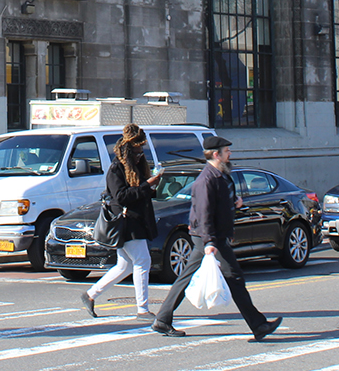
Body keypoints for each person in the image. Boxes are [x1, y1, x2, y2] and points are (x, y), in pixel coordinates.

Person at [150, 135, 281, 342]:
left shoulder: (220, 175)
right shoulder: (206, 180)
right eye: (227, 151)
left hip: (211, 237)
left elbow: (218, 203)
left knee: (187, 277)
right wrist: (210, 242)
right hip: (210, 238)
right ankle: (258, 325)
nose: (230, 154)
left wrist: (234, 202)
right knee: (235, 279)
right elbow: (204, 213)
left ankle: (163, 319)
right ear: (215, 154)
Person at [82, 124, 160, 321]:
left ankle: (91, 295)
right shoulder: (116, 169)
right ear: (127, 151)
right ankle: (142, 310)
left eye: (141, 152)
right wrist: (146, 186)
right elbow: (121, 196)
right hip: (126, 223)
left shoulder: (137, 167)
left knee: (124, 266)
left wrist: (152, 185)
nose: (140, 155)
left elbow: (140, 192)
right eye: (136, 152)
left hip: (136, 220)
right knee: (143, 261)